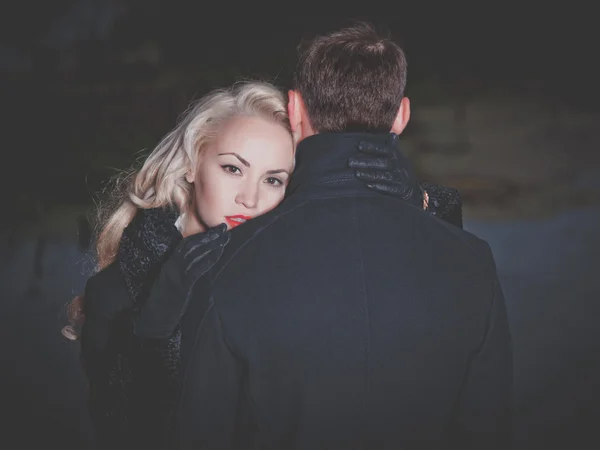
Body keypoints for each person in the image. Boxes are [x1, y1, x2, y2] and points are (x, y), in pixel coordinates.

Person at [144, 22, 512, 449]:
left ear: (295, 111)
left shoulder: (226, 262)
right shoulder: (474, 261)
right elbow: (488, 430)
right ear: (401, 116)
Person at [67, 79, 464, 449]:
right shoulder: (114, 292)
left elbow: (443, 306)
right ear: (191, 164)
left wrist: (420, 207)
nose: (250, 198)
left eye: (274, 180)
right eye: (233, 168)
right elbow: (125, 432)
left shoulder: (296, 272)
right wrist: (154, 330)